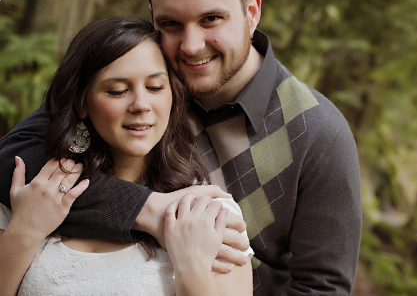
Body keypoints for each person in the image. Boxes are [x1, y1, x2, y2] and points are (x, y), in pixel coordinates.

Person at [0, 0, 363, 295]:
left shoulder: (319, 133)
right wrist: (151, 211)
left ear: (252, 12)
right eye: (171, 24)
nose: (190, 46)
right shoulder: (139, 75)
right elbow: (14, 162)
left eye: (211, 19)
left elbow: (322, 287)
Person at [0, 16, 253, 296]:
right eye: (117, 91)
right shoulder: (31, 195)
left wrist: (191, 266)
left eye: (155, 87)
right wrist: (24, 231)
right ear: (81, 103)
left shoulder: (208, 213)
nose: (141, 105)